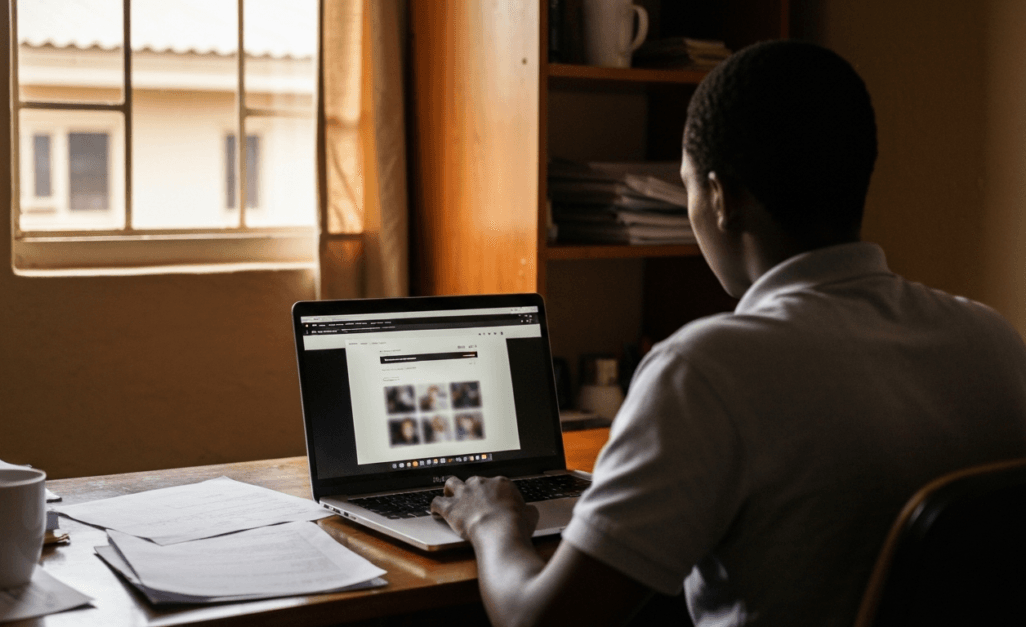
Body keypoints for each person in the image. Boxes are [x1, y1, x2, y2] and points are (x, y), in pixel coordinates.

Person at [430, 40, 1026, 627]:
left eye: (688, 185)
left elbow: (536, 620)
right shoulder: (993, 341)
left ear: (721, 197)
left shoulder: (706, 370)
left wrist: (492, 521)